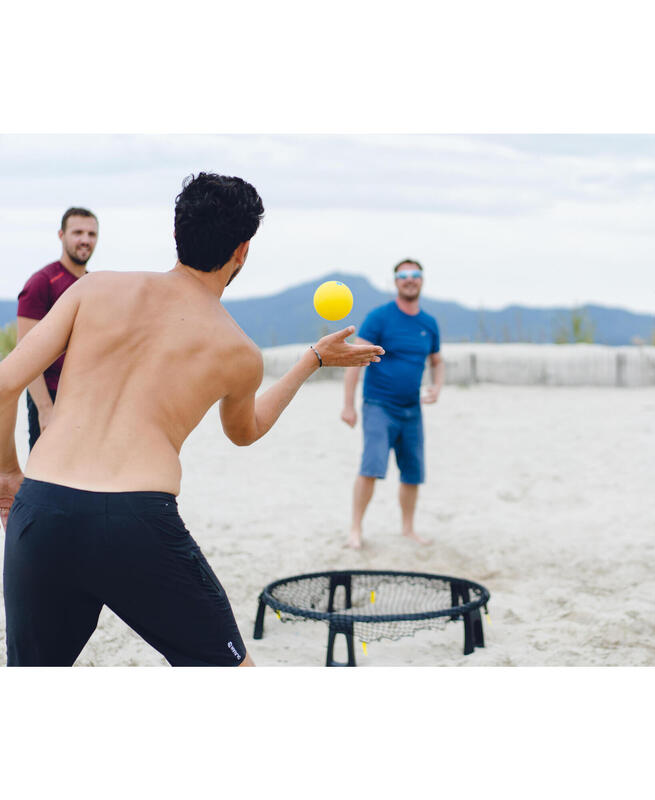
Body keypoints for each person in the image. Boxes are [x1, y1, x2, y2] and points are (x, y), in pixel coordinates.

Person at [0, 173, 383, 666]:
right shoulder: (237, 349)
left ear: (176, 234)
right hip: (135, 521)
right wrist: (312, 360)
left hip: (42, 507)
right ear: (242, 251)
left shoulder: (92, 290)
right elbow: (245, 433)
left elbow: (6, 384)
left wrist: (10, 471)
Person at [341, 259, 444, 549]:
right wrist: (348, 405)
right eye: (403, 275)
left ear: (422, 280)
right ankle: (355, 530)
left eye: (415, 275)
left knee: (413, 472)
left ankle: (408, 529)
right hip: (378, 404)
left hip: (412, 408)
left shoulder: (429, 323)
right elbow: (355, 361)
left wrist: (437, 387)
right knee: (371, 466)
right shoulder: (379, 317)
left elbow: (437, 361)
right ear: (395, 281)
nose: (409, 279)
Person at [17, 207, 99, 450]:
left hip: (85, 400)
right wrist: (44, 409)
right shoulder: (42, 283)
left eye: (91, 234)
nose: (85, 240)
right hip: (50, 399)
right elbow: (25, 355)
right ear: (61, 236)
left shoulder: (94, 284)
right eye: (78, 232)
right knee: (47, 482)